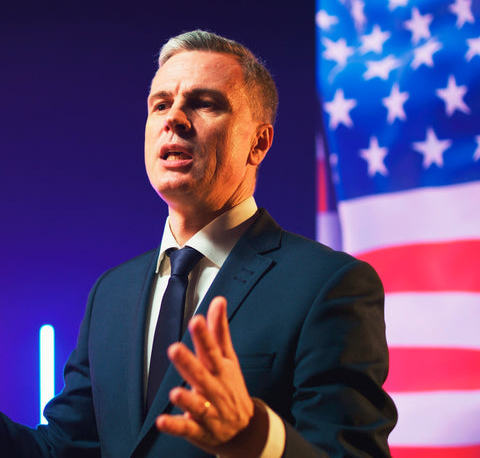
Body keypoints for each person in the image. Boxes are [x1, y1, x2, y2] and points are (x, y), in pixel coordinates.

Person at [0, 30, 397, 457]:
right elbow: (62, 449)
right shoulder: (110, 294)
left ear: (259, 142)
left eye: (204, 103)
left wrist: (256, 436)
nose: (174, 118)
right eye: (161, 104)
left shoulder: (329, 285)